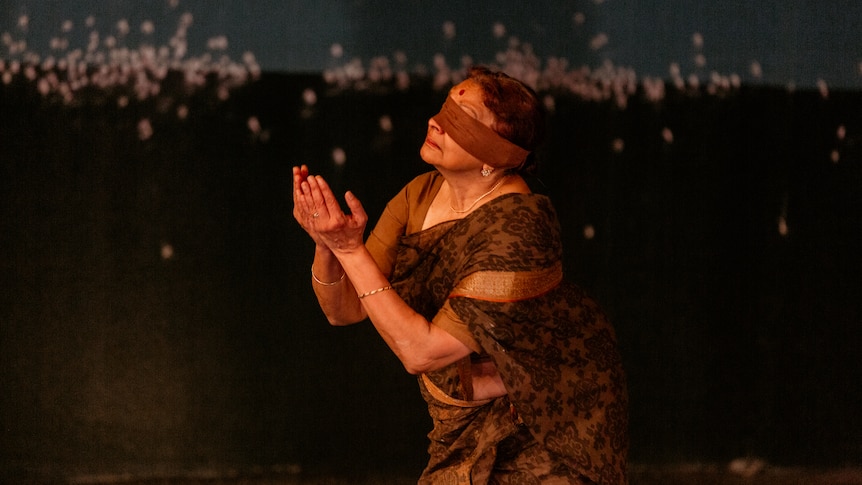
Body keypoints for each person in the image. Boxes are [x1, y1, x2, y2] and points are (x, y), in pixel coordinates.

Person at [293, 66, 628, 484]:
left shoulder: (519, 227)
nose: (436, 121)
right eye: (446, 106)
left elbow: (421, 353)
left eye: (461, 118)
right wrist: (327, 244)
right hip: (461, 416)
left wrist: (349, 250)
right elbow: (343, 310)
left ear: (495, 155)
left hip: (546, 417)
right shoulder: (420, 194)